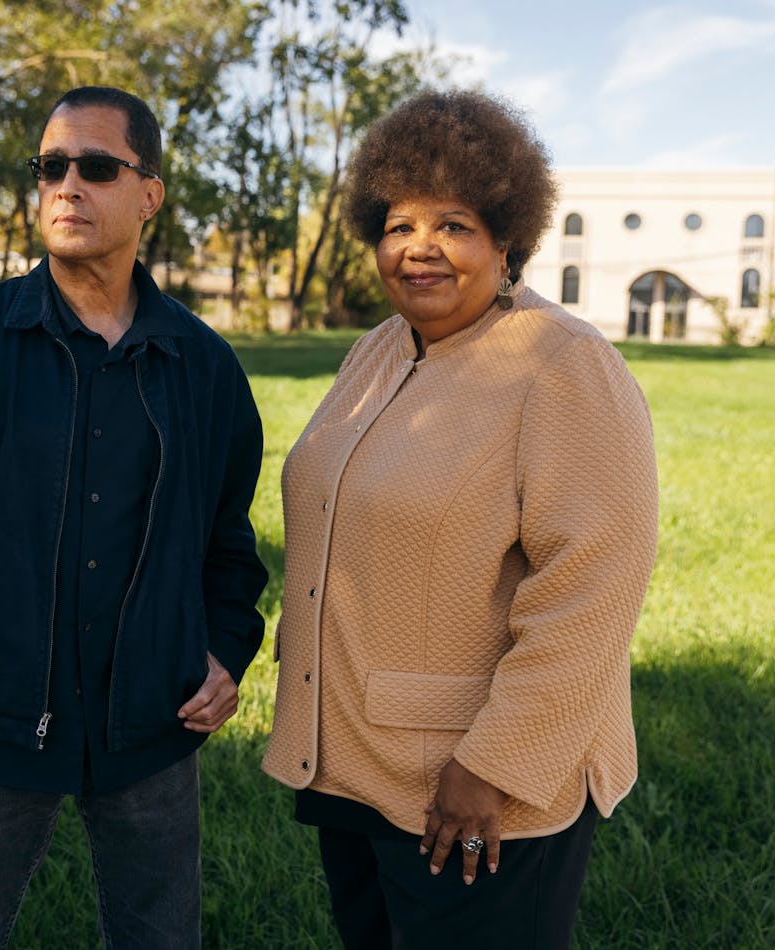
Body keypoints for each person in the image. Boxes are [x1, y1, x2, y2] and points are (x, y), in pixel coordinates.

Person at [0, 85, 268, 949]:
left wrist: (227, 646)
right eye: (50, 167)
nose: (67, 185)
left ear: (149, 193)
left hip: (153, 725)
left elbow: (229, 543)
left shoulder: (205, 366)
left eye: (97, 167)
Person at [261, 89, 660, 949]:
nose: (420, 249)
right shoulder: (378, 348)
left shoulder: (564, 366)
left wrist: (495, 766)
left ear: (507, 238)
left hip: (471, 789)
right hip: (356, 763)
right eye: (399, 225)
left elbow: (593, 586)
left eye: (453, 224)